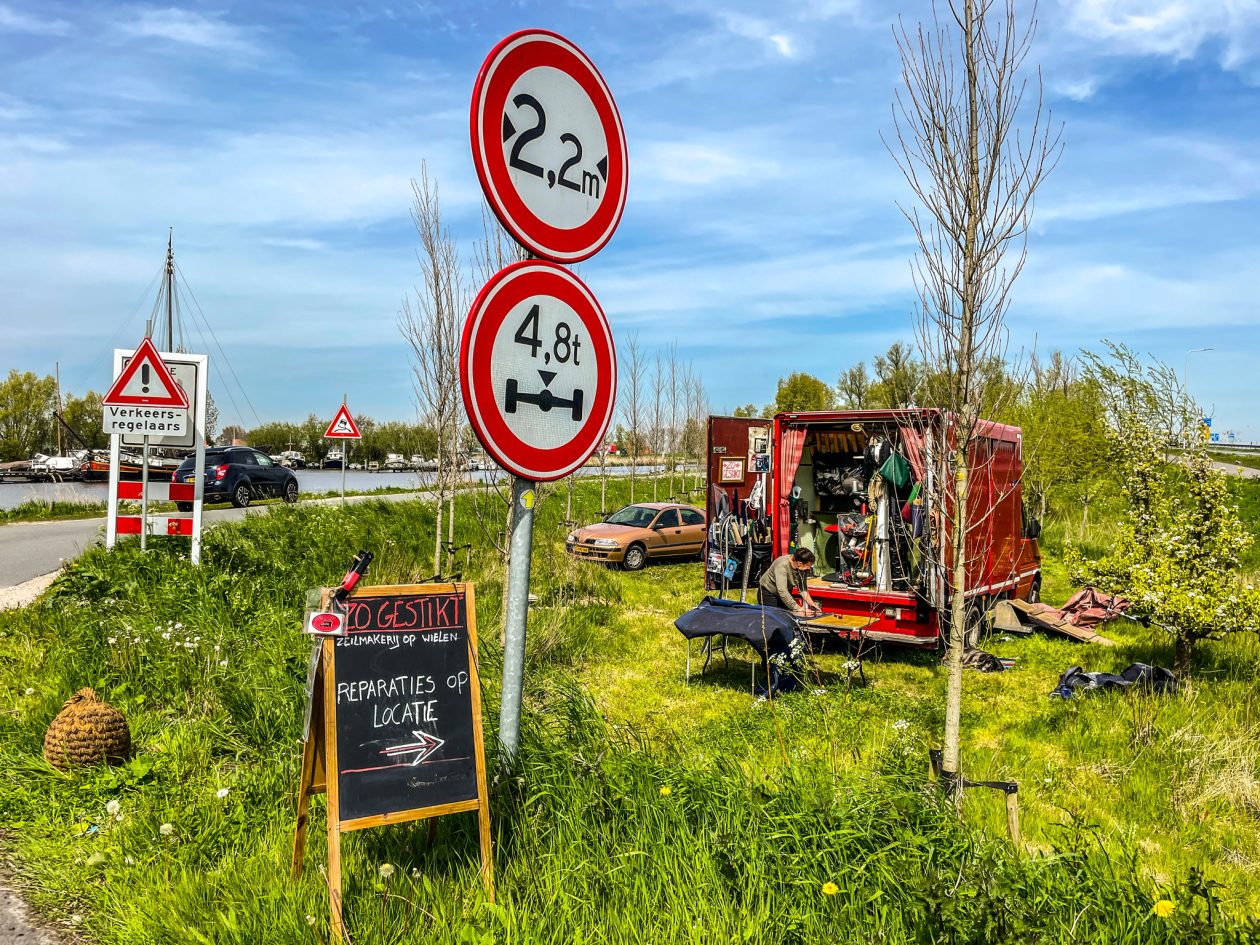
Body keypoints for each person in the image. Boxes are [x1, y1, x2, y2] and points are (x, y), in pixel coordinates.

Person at [758, 547, 822, 617]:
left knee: (787, 616)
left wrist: (812, 604)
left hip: (785, 592)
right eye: (808, 566)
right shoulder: (782, 566)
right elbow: (782, 591)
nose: (809, 568)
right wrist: (798, 608)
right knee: (773, 617)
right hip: (768, 592)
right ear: (800, 563)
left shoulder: (802, 568)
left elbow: (802, 589)